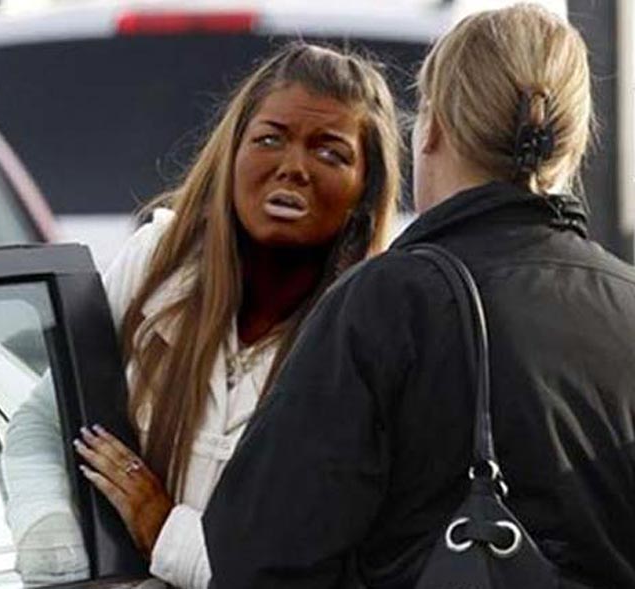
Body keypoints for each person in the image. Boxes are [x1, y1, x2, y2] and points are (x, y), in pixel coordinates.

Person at [201, 5, 635, 588]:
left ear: (433, 129)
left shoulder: (385, 304)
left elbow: (259, 551)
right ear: (572, 147)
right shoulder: (626, 302)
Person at [64, 42, 401, 587]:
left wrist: (164, 531)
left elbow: (306, 570)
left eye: (330, 153)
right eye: (270, 139)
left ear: (365, 192)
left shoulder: (373, 333)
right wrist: (62, 556)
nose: (293, 168)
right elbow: (42, 427)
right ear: (232, 151)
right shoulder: (157, 263)